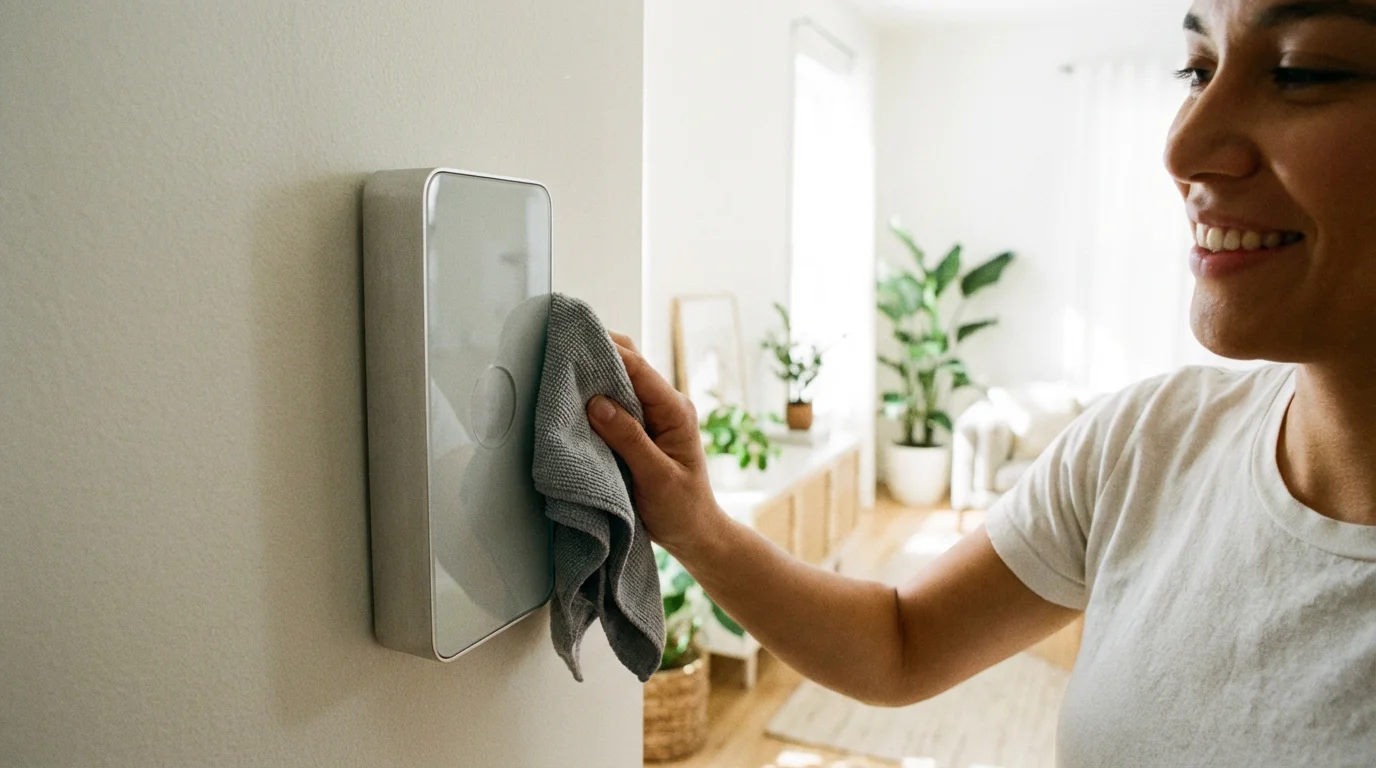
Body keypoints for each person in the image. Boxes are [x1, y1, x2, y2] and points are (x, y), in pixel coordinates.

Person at [585, 0, 1376, 764]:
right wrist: (696, 525)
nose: (1181, 149)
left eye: (1303, 71)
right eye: (1197, 69)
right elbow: (900, 643)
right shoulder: (1147, 443)